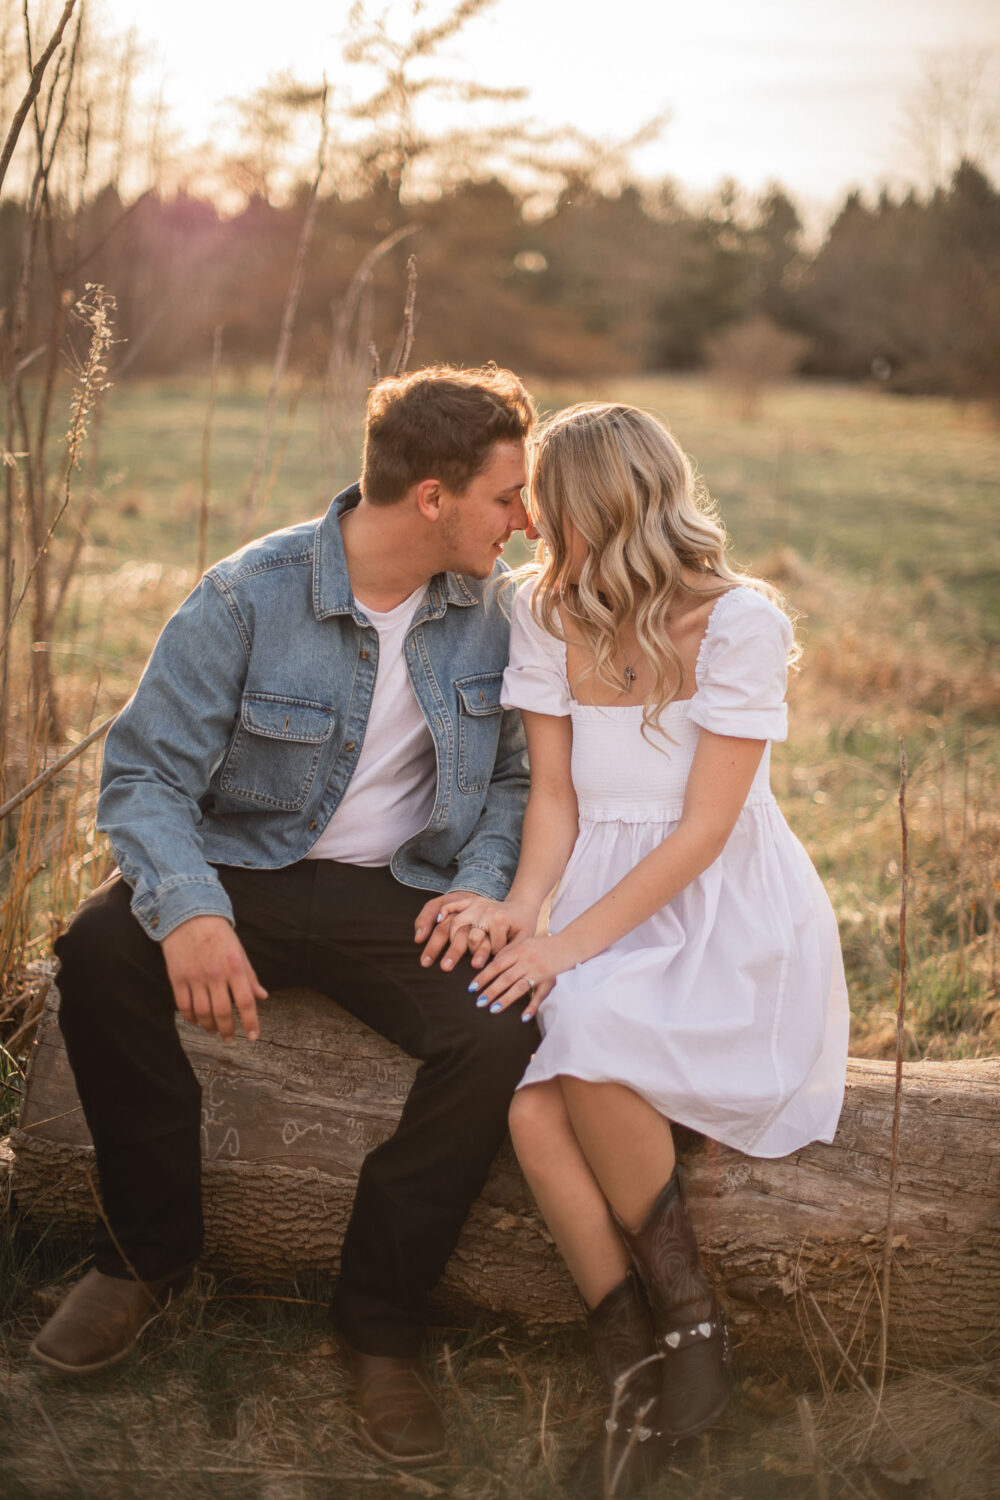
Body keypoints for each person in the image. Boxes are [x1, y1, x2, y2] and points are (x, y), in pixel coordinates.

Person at [30, 364, 541, 1469]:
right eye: (508, 495)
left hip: (399, 895)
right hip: (240, 872)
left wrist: (483, 883)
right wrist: (191, 911)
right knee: (99, 946)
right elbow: (146, 778)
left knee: (499, 1027)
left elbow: (513, 777)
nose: (526, 518)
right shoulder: (245, 596)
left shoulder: (496, 614)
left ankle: (378, 1323)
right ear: (433, 499)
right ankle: (143, 1256)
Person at [429, 402, 850, 1494]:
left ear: (597, 507)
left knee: (588, 1022)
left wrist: (567, 951)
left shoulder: (740, 621)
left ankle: (697, 1331)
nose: (525, 525)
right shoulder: (542, 611)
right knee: (530, 1105)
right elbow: (556, 800)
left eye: (543, 505)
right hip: (592, 884)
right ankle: (638, 1362)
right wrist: (527, 912)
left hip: (720, 907)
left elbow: (706, 831)